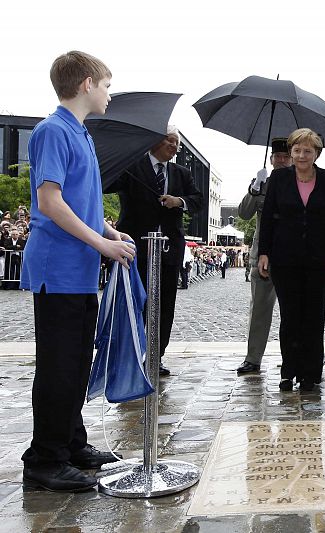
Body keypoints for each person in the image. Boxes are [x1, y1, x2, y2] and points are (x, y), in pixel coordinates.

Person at [20, 51, 137, 492]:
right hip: (60, 267)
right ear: (87, 83)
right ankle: (45, 459)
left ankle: (71, 442)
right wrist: (101, 243)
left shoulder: (80, 133)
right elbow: (49, 202)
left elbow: (77, 200)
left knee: (75, 362)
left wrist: (108, 228)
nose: (109, 93)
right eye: (107, 85)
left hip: (80, 267)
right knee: (59, 366)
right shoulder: (53, 130)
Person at [108, 125, 203, 376]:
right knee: (135, 302)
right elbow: (106, 182)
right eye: (169, 141)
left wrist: (178, 201)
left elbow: (197, 200)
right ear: (154, 142)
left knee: (164, 304)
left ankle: (155, 355)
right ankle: (131, 354)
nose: (174, 147)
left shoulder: (182, 174)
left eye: (176, 144)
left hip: (169, 248)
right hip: (136, 246)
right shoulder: (132, 166)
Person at [258, 128, 325, 392]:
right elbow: (269, 216)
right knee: (290, 317)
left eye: (307, 150)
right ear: (290, 152)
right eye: (297, 150)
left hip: (318, 260)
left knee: (314, 318)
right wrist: (264, 252)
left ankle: (311, 373)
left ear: (316, 153)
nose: (301, 155)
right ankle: (288, 371)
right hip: (285, 259)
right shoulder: (279, 178)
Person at [236, 138, 291, 374]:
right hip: (263, 256)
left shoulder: (300, 181)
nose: (281, 160)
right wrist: (253, 190)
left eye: (284, 156)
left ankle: (308, 354)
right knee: (259, 309)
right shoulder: (260, 184)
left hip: (291, 255)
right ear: (271, 160)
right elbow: (244, 213)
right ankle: (253, 357)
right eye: (277, 157)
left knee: (298, 311)